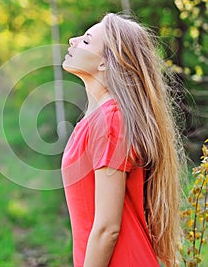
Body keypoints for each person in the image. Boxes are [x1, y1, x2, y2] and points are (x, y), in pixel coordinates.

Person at [61, 13, 183, 267]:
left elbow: (108, 228)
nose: (72, 40)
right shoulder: (96, 120)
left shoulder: (111, 120)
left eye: (85, 41)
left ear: (106, 62)